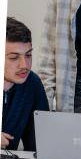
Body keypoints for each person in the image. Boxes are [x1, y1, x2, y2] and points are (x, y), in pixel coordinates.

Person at [1, 17, 49, 151]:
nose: (24, 65)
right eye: (14, 58)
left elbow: (39, 144)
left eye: (28, 55)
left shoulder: (32, 83)